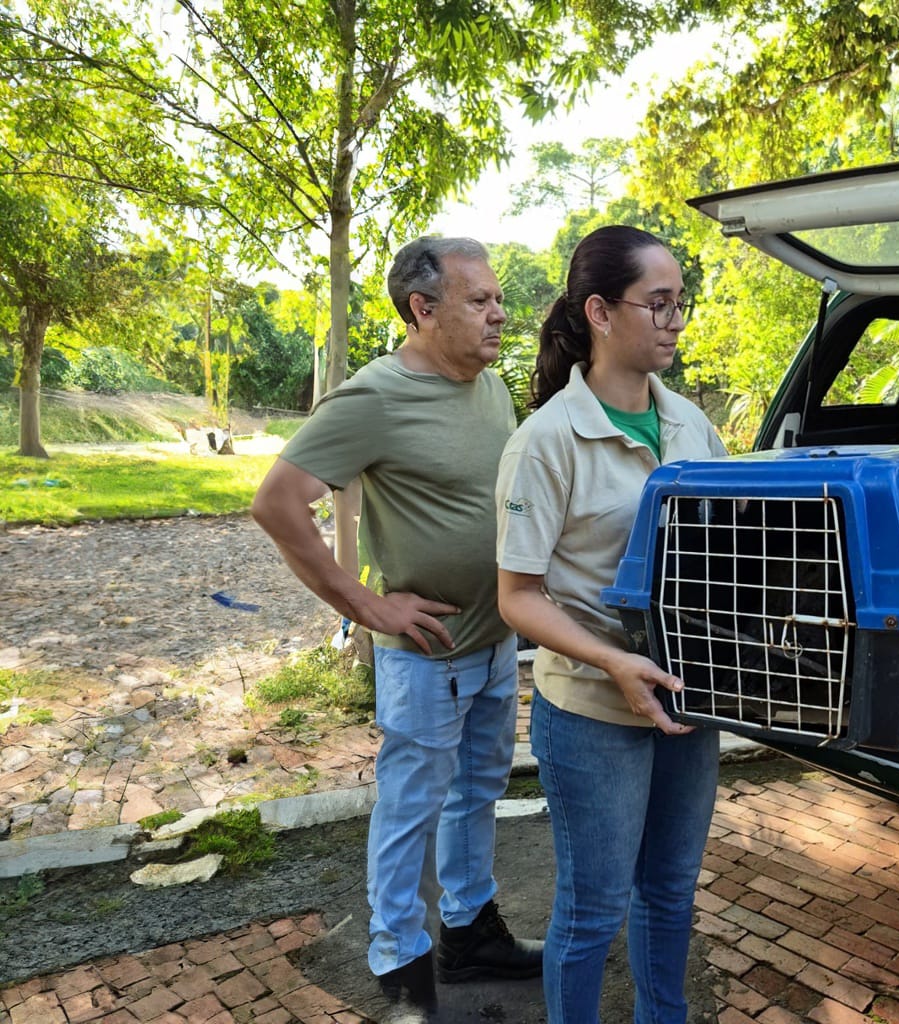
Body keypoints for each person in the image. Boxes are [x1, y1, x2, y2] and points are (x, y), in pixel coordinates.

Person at [251, 236, 543, 1014]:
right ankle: (400, 965)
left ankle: (469, 932)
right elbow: (277, 504)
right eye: (479, 300)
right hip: (427, 656)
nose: (499, 314)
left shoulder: (489, 387)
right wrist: (369, 607)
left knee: (476, 794)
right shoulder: (374, 397)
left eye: (498, 298)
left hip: (492, 644)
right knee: (410, 808)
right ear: (423, 308)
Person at [495, 225, 727, 1023]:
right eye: (656, 304)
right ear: (599, 311)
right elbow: (518, 596)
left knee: (668, 892)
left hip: (690, 700)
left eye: (679, 304)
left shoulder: (693, 426)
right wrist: (613, 662)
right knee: (592, 911)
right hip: (594, 710)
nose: (674, 321)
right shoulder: (547, 440)